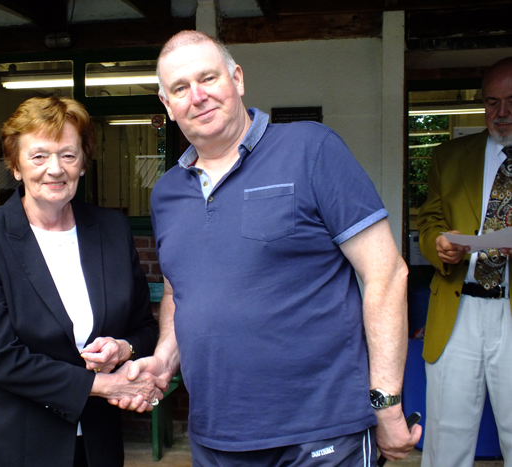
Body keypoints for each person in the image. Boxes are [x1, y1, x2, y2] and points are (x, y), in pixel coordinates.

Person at [114, 30, 421, 465]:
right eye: (180, 88)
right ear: (167, 104)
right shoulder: (165, 194)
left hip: (320, 431)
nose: (197, 96)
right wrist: (164, 360)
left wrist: (386, 403)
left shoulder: (312, 149)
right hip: (217, 435)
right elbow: (183, 292)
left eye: (208, 78)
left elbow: (387, 274)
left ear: (237, 79)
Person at [0, 96, 164, 467]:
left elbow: (145, 327)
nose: (55, 169)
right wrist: (101, 385)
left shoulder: (111, 230)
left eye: (68, 155)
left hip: (95, 446)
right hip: (9, 445)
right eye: (39, 156)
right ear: (15, 166)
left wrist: (124, 348)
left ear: (82, 164)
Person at [417, 57, 512, 467]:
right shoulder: (450, 155)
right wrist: (437, 245)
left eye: (511, 102)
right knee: (447, 435)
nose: (501, 114)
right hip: (458, 306)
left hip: (509, 308)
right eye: (492, 103)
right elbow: (429, 221)